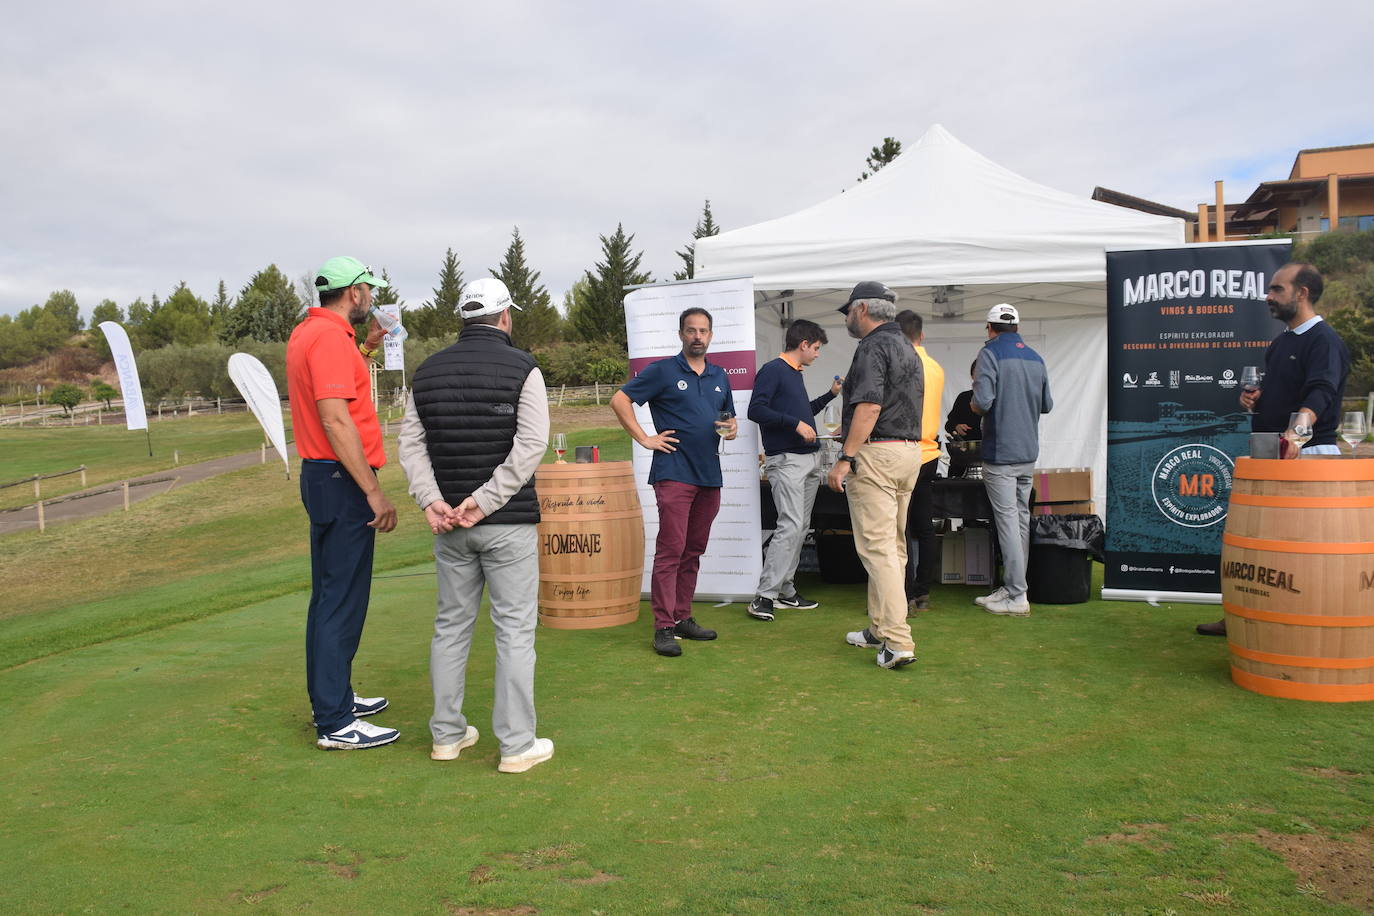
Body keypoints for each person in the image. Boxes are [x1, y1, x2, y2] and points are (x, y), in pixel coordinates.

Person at [398, 278, 555, 773]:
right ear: (505, 315)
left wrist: (432, 502)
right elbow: (531, 446)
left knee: (450, 627)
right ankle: (515, 746)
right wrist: (484, 502)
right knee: (513, 633)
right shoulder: (524, 367)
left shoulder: (426, 371)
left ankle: (446, 736)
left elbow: (411, 446)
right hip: (505, 522)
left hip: (450, 525)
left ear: (464, 319)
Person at [1197, 262, 1350, 637]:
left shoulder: (1324, 340)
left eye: (1277, 289)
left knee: (1299, 553)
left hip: (1307, 458)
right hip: (1269, 455)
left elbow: (1321, 393)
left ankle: (1298, 627)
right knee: (1257, 544)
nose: (1268, 296)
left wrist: (1295, 440)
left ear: (1302, 293)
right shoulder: (1282, 342)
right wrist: (1257, 399)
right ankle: (1242, 614)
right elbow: (1287, 390)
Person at [286, 256, 399, 751]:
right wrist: (373, 490)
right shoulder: (331, 339)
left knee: (331, 596)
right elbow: (336, 420)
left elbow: (342, 386)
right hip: (342, 479)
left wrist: (370, 345)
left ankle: (334, 698)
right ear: (354, 293)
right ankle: (334, 721)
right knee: (340, 600)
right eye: (367, 290)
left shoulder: (312, 333)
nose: (371, 297)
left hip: (323, 476)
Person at [611, 307, 738, 657]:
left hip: (709, 474)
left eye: (704, 331)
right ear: (681, 334)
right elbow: (619, 400)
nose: (698, 336)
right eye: (691, 330)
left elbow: (727, 419)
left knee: (693, 549)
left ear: (711, 335)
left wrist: (731, 428)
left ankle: (682, 617)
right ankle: (664, 626)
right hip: (674, 472)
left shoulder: (719, 375)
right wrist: (644, 438)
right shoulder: (663, 371)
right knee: (672, 549)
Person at [828, 282, 924, 670]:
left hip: (878, 455)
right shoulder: (907, 345)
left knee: (880, 550)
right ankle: (879, 628)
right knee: (893, 548)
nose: (847, 317)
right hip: (908, 452)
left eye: (848, 310)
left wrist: (845, 457)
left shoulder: (871, 346)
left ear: (862, 308)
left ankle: (898, 641)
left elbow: (869, 407)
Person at [745, 319, 843, 621]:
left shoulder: (794, 373)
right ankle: (764, 596)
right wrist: (795, 424)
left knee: (799, 528)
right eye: (816, 348)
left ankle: (786, 591)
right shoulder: (773, 370)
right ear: (803, 344)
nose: (817, 354)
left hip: (809, 459)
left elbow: (802, 414)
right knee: (790, 525)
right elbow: (755, 410)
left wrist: (830, 395)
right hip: (786, 461)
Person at [969, 303, 1053, 618]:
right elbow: (1047, 404)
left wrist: (978, 406)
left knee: (1008, 522)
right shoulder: (1036, 357)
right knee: (1019, 521)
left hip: (1000, 451)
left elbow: (982, 402)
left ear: (990, 328)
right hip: (1027, 451)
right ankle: (1014, 587)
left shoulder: (989, 354)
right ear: (1016, 328)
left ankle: (1017, 595)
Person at [896, 309, 945, 613]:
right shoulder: (936, 367)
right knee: (924, 526)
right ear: (921, 335)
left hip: (905, 451)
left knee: (899, 527)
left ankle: (904, 592)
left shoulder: (901, 365)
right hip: (930, 453)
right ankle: (922, 591)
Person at [944, 361, 982, 478]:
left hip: (990, 457)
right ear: (972, 376)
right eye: (978, 372)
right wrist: (956, 426)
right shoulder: (964, 398)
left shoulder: (998, 399)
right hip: (963, 456)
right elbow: (949, 424)